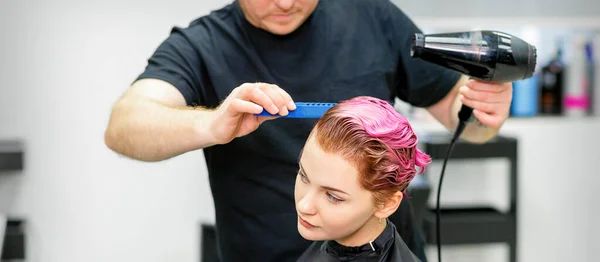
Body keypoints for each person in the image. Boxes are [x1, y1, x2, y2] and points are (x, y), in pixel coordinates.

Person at [103, 0, 513, 261]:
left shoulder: (375, 18)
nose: (285, 2)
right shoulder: (201, 46)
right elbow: (124, 126)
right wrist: (212, 122)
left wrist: (482, 112)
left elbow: (466, 122)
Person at [294, 96, 431, 262]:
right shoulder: (335, 236)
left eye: (332, 196)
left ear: (387, 203)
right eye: (303, 175)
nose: (304, 206)